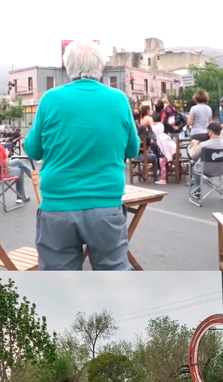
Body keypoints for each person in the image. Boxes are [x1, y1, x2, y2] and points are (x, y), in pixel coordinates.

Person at [26, 40, 139, 271]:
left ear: (67, 68)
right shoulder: (118, 99)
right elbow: (132, 149)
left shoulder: (50, 99)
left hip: (58, 206)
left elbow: (33, 150)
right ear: (102, 68)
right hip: (106, 204)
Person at [188, 122, 223, 202]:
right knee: (199, 166)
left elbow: (194, 158)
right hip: (222, 170)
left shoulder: (204, 145)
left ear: (210, 131)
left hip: (205, 171)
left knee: (195, 166)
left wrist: (195, 145)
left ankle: (197, 191)